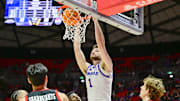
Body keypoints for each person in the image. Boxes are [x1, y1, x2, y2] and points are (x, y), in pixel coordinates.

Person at [73, 18, 113, 101]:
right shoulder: (88, 68)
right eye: (93, 50)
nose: (94, 51)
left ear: (103, 54)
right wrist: (77, 27)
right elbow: (77, 49)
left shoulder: (106, 66)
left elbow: (101, 43)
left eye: (97, 50)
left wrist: (95, 21)